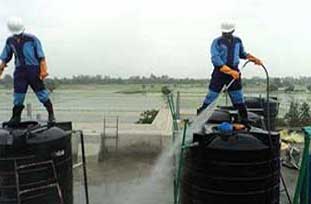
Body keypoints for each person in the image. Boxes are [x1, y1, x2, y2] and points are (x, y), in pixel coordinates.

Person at [197, 21, 262, 126]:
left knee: (238, 97)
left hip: (234, 72)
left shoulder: (237, 41)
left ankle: (244, 120)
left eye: (229, 32)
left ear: (233, 31)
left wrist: (254, 59)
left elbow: (242, 54)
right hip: (220, 72)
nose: (226, 34)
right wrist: (230, 71)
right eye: (225, 33)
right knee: (211, 96)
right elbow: (215, 59)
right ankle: (200, 119)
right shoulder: (217, 42)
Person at [0, 16, 55, 124]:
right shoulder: (10, 41)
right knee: (18, 96)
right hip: (20, 71)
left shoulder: (32, 39)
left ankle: (51, 115)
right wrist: (1, 68)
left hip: (33, 70)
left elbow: (41, 56)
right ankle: (16, 117)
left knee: (42, 94)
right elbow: (6, 56)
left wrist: (43, 70)